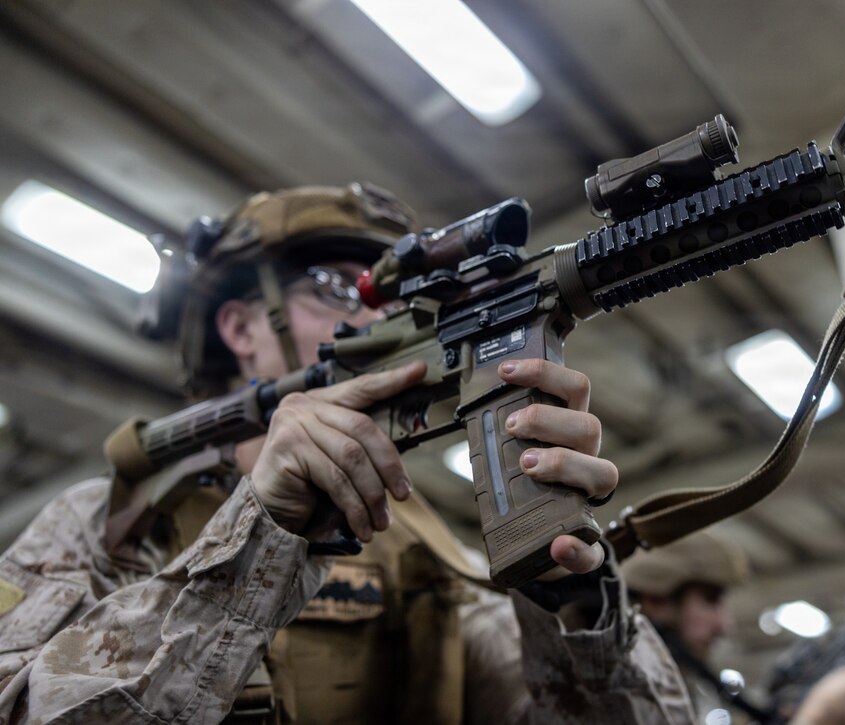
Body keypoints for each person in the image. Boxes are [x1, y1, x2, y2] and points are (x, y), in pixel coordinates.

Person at [0, 183, 694, 723]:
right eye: (340, 287)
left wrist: (569, 594)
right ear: (241, 326)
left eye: (393, 296)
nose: (374, 315)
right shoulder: (108, 523)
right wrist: (259, 536)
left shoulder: (433, 553)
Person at [622, 530, 845, 725]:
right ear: (656, 600)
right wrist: (816, 719)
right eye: (710, 599)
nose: (724, 625)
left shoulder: (676, 691)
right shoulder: (615, 690)